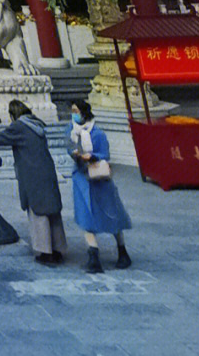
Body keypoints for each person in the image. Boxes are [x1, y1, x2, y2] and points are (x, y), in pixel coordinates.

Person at [0, 99, 67, 264]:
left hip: (32, 174)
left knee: (38, 213)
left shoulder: (20, 126)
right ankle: (58, 248)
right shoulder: (37, 124)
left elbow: (0, 138)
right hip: (47, 171)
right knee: (53, 212)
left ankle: (45, 252)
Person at [69, 98, 132, 272]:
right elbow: (69, 148)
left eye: (76, 111)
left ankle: (122, 251)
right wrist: (75, 154)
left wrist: (93, 156)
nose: (73, 115)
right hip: (82, 179)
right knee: (86, 216)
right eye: (72, 111)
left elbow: (105, 154)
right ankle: (93, 255)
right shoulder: (72, 132)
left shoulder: (98, 134)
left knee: (112, 215)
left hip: (99, 180)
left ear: (84, 113)